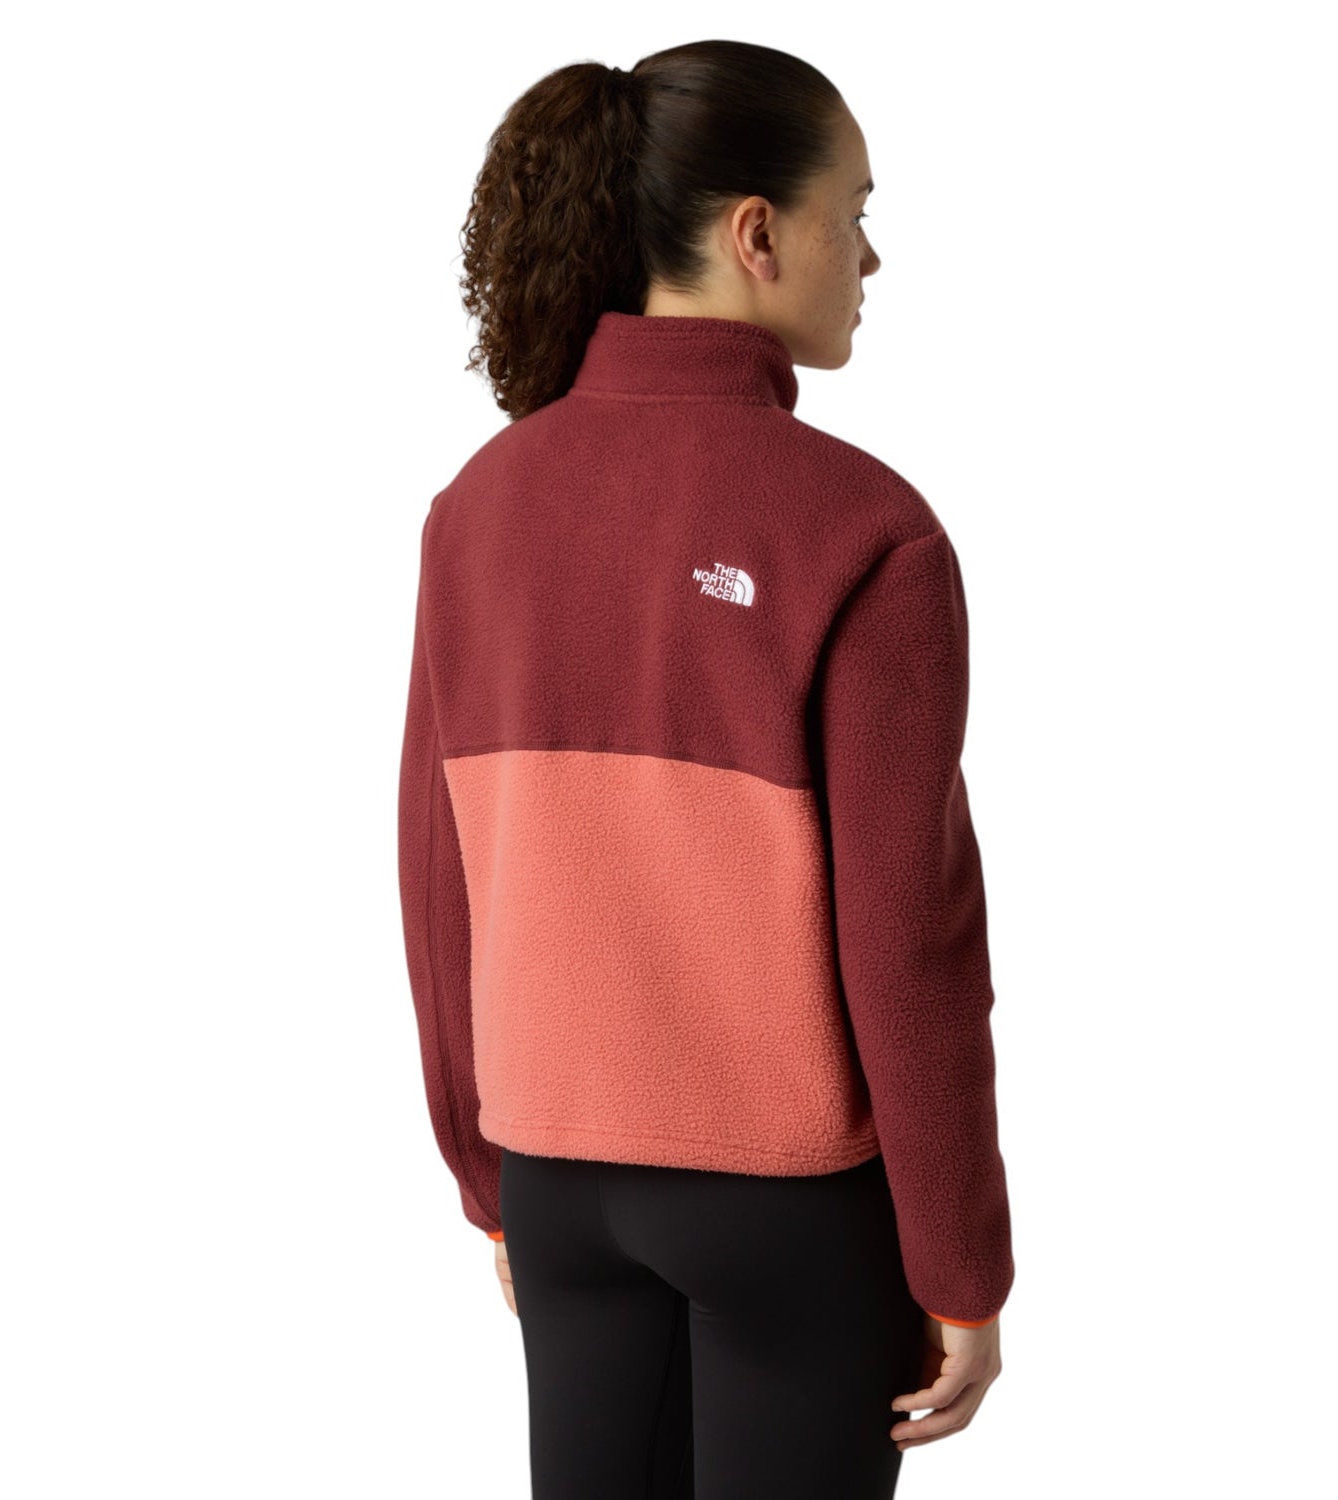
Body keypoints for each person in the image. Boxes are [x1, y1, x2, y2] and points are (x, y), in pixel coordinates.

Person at [397, 38, 1014, 1499]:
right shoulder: (864, 527)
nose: (870, 256)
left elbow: (436, 877)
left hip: (556, 1185)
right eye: (852, 213)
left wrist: (491, 1180)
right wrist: (962, 1264)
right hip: (787, 1209)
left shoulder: (478, 505)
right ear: (756, 234)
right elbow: (907, 938)